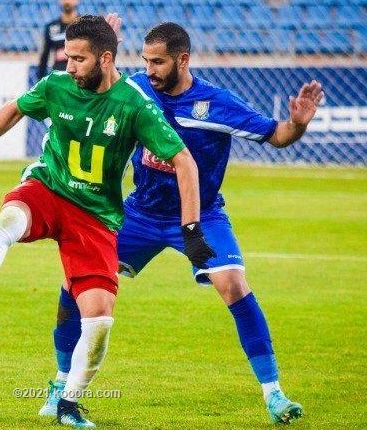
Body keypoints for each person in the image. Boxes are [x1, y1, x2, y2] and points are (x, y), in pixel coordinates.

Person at [0, 16, 214, 428]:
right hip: (49, 187)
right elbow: (15, 109)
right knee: (9, 220)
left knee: (99, 319)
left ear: (105, 59)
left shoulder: (135, 105)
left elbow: (184, 160)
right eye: (67, 57)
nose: (69, 66)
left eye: (79, 59)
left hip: (95, 216)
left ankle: (68, 403)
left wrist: (191, 229)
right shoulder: (57, 86)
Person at [38, 21, 324, 425]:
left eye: (158, 62)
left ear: (183, 60)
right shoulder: (137, 89)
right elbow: (94, 78)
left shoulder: (217, 103)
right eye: (145, 61)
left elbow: (277, 135)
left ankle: (274, 394)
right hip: (140, 212)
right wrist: (105, 40)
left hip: (202, 214)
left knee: (233, 284)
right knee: (75, 283)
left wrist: (297, 124)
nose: (149, 70)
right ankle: (60, 382)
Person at [37, 0, 79, 80]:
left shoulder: (85, 25)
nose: (67, 1)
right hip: (58, 75)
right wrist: (40, 80)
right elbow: (44, 56)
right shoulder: (51, 27)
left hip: (79, 76)